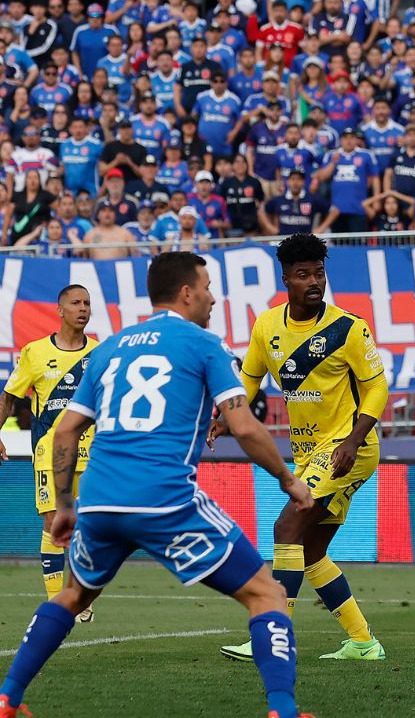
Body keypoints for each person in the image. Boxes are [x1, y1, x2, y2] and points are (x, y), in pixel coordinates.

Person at [0, 252, 313, 718]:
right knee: (267, 595)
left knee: (73, 595)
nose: (212, 296)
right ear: (186, 293)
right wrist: (290, 480)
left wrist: (66, 503)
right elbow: (244, 426)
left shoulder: (108, 349)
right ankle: (284, 711)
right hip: (164, 500)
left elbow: (64, 431)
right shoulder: (204, 344)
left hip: (101, 501)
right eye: (206, 286)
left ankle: (7, 697)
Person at [215, 233, 387, 663]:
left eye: (320, 272)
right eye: (303, 274)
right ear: (286, 279)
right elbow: (250, 380)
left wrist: (352, 439)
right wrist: (226, 414)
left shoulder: (348, 328)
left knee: (286, 528)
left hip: (351, 447)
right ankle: (364, 643)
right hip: (310, 452)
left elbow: (377, 389)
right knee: (311, 552)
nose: (314, 281)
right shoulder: (267, 326)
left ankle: (273, 639)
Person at [0, 286, 98, 616]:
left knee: (91, 525)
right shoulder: (35, 353)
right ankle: (57, 600)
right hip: (49, 452)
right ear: (60, 310)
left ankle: (79, 591)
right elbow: (10, 396)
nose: (83, 308)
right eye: (76, 303)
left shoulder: (99, 354)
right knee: (53, 521)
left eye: (87, 303)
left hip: (92, 453)